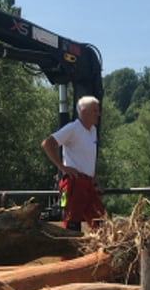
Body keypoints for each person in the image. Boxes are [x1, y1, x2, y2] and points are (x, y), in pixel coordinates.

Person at [41, 95, 105, 231]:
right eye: (95, 110)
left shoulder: (93, 131)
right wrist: (62, 167)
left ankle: (99, 250)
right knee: (72, 222)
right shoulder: (72, 128)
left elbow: (88, 158)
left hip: (87, 183)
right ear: (83, 112)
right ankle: (68, 250)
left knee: (100, 221)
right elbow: (47, 144)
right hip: (74, 182)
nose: (98, 114)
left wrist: (93, 182)